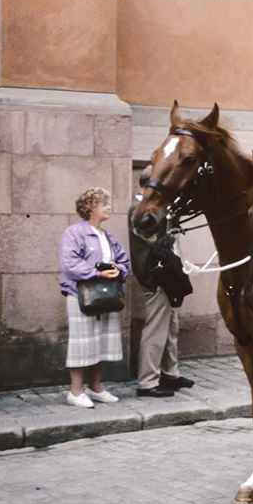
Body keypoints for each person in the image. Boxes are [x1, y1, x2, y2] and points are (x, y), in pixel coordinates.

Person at [59, 187, 130, 408]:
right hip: (82, 295)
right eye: (103, 204)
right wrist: (98, 273)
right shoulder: (75, 232)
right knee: (82, 343)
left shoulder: (108, 235)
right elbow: (70, 264)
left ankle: (96, 388)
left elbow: (124, 260)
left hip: (106, 295)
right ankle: (76, 391)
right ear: (90, 208)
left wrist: (119, 269)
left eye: (108, 203)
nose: (109, 207)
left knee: (100, 342)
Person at [128, 167, 194, 397]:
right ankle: (147, 381)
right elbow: (155, 243)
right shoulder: (140, 208)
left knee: (171, 326)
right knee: (156, 329)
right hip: (157, 276)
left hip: (166, 275)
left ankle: (169, 373)